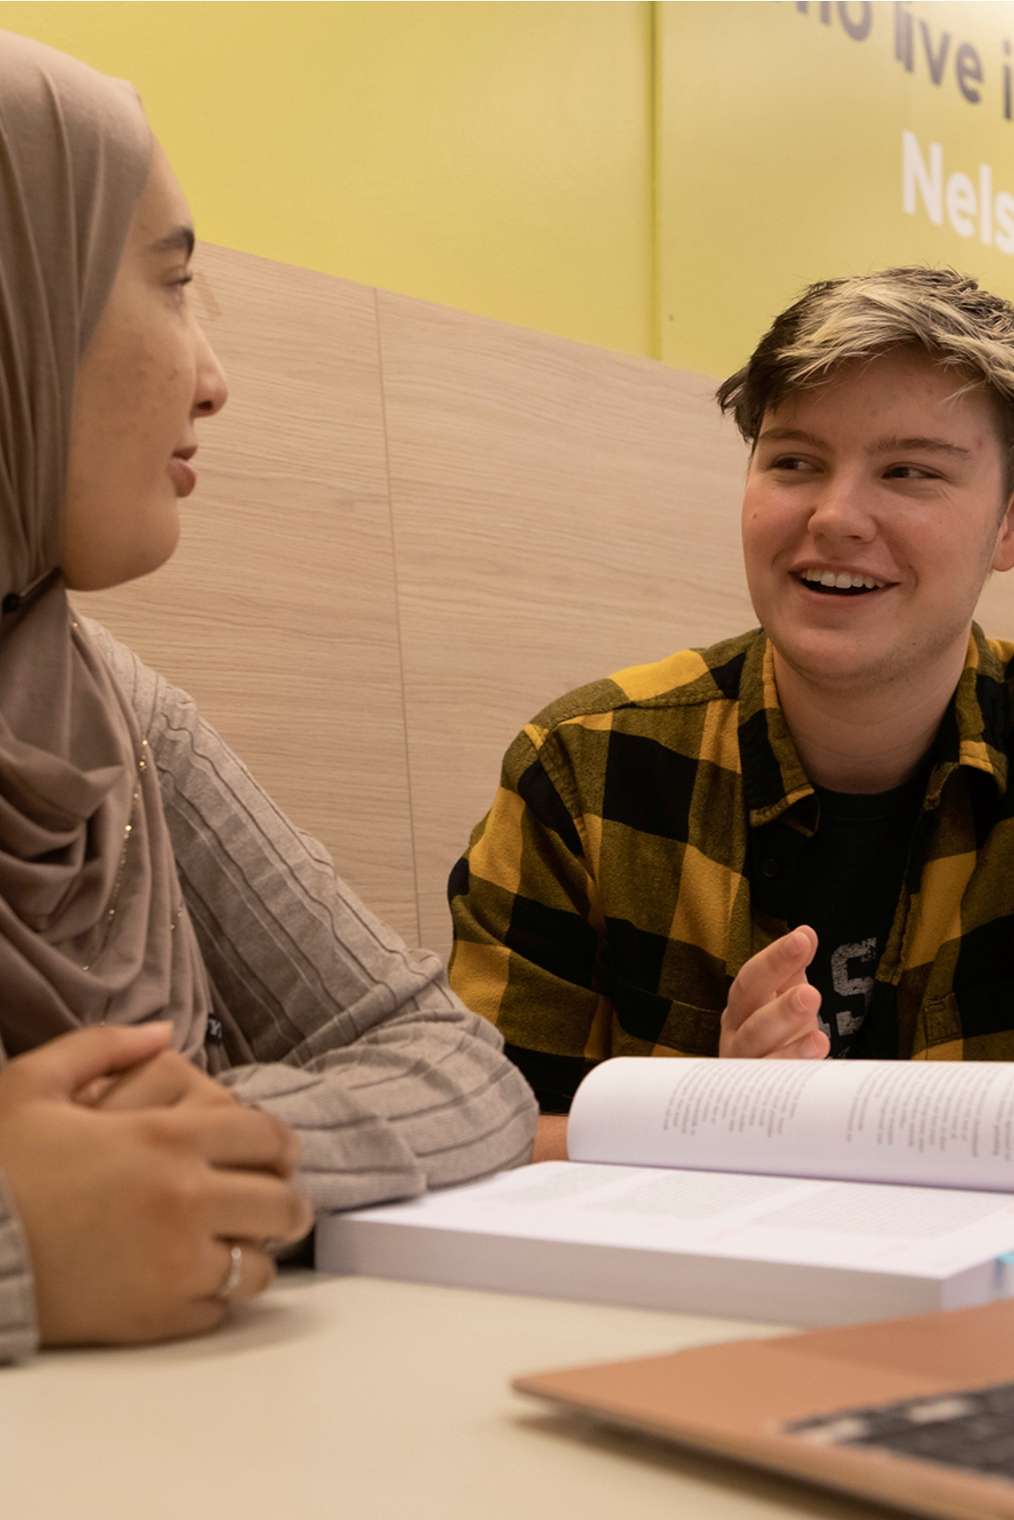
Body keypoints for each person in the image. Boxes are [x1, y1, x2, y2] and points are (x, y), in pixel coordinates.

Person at [0, 31, 536, 1363]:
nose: (212, 375)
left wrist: (208, 1158)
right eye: (169, 286)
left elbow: (452, 1062)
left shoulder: (105, 708)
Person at [449, 265, 1014, 1157]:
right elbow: (477, 1136)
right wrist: (709, 1119)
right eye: (795, 462)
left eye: (909, 472)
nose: (835, 517)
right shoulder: (586, 768)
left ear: (1008, 524)